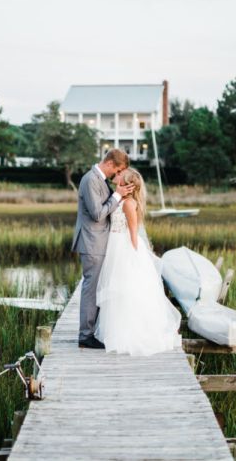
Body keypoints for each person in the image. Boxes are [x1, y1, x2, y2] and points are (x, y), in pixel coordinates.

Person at [95, 168, 182, 356]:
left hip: (124, 247)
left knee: (126, 289)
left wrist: (134, 256)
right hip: (115, 245)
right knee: (117, 290)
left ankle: (129, 334)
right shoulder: (121, 199)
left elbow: (133, 232)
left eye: (121, 177)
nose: (117, 177)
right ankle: (117, 332)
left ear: (127, 184)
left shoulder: (129, 204)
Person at [72, 149, 134, 349]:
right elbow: (98, 214)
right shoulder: (90, 180)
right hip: (92, 242)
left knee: (98, 288)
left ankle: (93, 330)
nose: (118, 174)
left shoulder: (101, 180)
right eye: (118, 169)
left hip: (100, 242)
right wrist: (117, 196)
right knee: (91, 289)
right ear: (109, 163)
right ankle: (85, 336)